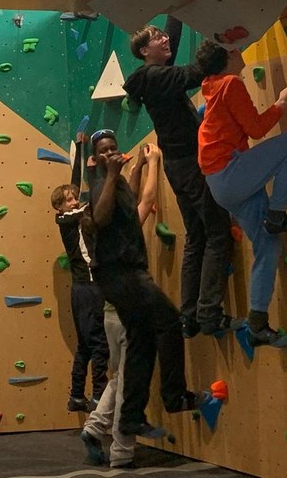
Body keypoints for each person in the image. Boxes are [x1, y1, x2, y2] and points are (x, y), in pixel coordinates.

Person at [87, 129, 209, 437]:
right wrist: (112, 174)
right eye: (103, 151)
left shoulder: (118, 183)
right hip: (121, 274)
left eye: (113, 147)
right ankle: (175, 396)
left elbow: (130, 206)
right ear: (96, 159)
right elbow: (100, 218)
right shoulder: (100, 184)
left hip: (126, 273)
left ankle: (130, 417)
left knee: (142, 340)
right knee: (169, 321)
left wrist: (139, 167)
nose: (110, 153)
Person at [124, 16, 236, 339]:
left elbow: (171, 38)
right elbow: (197, 71)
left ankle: (189, 316)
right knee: (218, 232)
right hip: (189, 164)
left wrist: (178, 9)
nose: (165, 40)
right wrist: (223, 40)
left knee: (197, 236)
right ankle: (209, 314)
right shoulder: (158, 77)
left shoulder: (152, 76)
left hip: (178, 165)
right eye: (157, 38)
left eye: (163, 36)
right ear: (145, 51)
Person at [195, 40, 287, 348]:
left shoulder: (213, 85)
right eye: (233, 49)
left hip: (221, 184)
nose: (239, 51)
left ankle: (257, 324)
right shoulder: (229, 83)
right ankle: (277, 215)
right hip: (229, 173)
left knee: (268, 243)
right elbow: (256, 129)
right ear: (227, 58)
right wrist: (280, 103)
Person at [81, 141, 161, 468]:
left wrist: (137, 168)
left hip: (110, 315)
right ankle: (122, 452)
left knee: (120, 376)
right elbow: (145, 201)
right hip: (128, 315)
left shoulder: (98, 225)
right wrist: (154, 163)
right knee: (130, 382)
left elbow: (127, 198)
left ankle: (94, 426)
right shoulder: (115, 228)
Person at [51, 178, 109, 412]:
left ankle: (76, 395)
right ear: (59, 207)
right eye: (68, 200)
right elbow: (88, 209)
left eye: (75, 198)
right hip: (88, 288)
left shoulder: (74, 219)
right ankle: (99, 395)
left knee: (85, 344)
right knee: (99, 344)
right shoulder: (65, 219)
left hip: (83, 289)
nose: (74, 202)